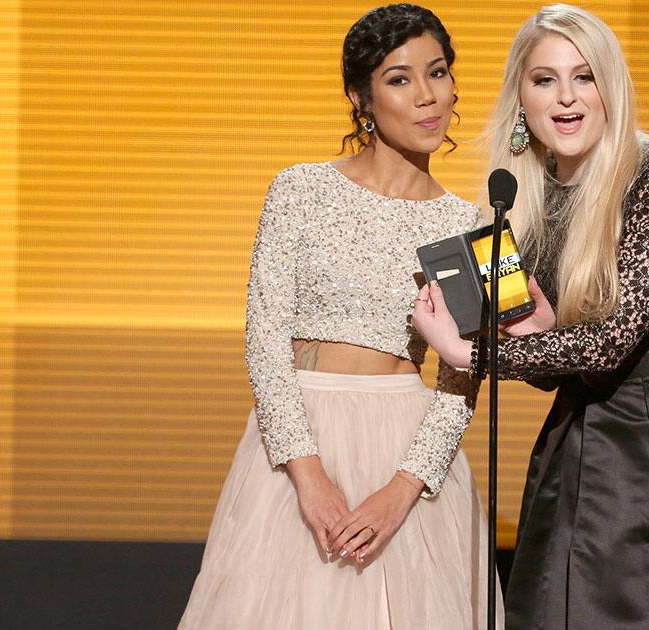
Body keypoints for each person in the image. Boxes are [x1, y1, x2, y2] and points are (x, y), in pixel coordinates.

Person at [412, 4, 649, 629]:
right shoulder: (516, 196)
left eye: (584, 77)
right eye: (545, 80)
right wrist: (538, 337)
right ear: (521, 96)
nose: (566, 98)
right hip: (588, 435)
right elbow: (561, 360)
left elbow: (609, 344)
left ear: (611, 87)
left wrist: (469, 354)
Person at [180, 5, 501, 629]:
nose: (428, 96)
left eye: (438, 73)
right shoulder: (300, 189)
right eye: (400, 79)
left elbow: (465, 376)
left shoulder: (480, 229)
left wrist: (401, 491)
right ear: (361, 97)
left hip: (408, 456)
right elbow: (265, 339)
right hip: (299, 443)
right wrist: (308, 475)